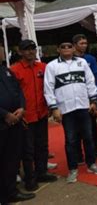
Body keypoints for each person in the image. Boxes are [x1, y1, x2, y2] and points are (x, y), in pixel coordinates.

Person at [44, 38, 97, 184]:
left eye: (69, 46)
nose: (66, 48)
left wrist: (94, 101)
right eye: (62, 46)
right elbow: (48, 88)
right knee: (71, 140)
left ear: (73, 49)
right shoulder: (52, 66)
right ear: (58, 49)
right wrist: (53, 108)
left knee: (89, 137)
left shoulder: (82, 62)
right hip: (66, 109)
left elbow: (90, 81)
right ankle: (72, 169)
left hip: (84, 106)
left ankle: (91, 164)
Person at [10, 40, 58, 192]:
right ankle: (30, 178)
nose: (30, 52)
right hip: (26, 116)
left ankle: (42, 172)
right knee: (27, 149)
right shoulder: (14, 70)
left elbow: (50, 87)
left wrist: (51, 106)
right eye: (27, 49)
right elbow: (13, 94)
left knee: (42, 145)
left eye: (33, 49)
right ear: (20, 52)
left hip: (42, 113)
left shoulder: (43, 67)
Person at [0, 54, 35, 203]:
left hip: (15, 122)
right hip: (2, 122)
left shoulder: (6, 71)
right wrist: (5, 114)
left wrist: (21, 108)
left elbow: (19, 91)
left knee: (12, 160)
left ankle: (12, 192)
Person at [72, 34, 97, 160]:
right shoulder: (69, 59)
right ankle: (78, 154)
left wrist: (96, 98)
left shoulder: (90, 59)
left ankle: (94, 149)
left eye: (85, 43)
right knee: (76, 128)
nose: (84, 46)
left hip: (90, 98)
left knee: (92, 126)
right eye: (81, 43)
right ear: (74, 45)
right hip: (76, 98)